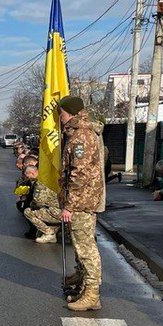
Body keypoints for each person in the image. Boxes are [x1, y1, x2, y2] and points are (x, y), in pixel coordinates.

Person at [56, 96, 105, 312]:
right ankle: (85, 288)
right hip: (82, 201)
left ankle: (92, 294)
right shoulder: (76, 133)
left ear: (70, 113)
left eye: (61, 112)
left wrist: (69, 205)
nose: (59, 116)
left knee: (86, 248)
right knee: (80, 246)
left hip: (81, 202)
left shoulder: (81, 137)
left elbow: (79, 175)